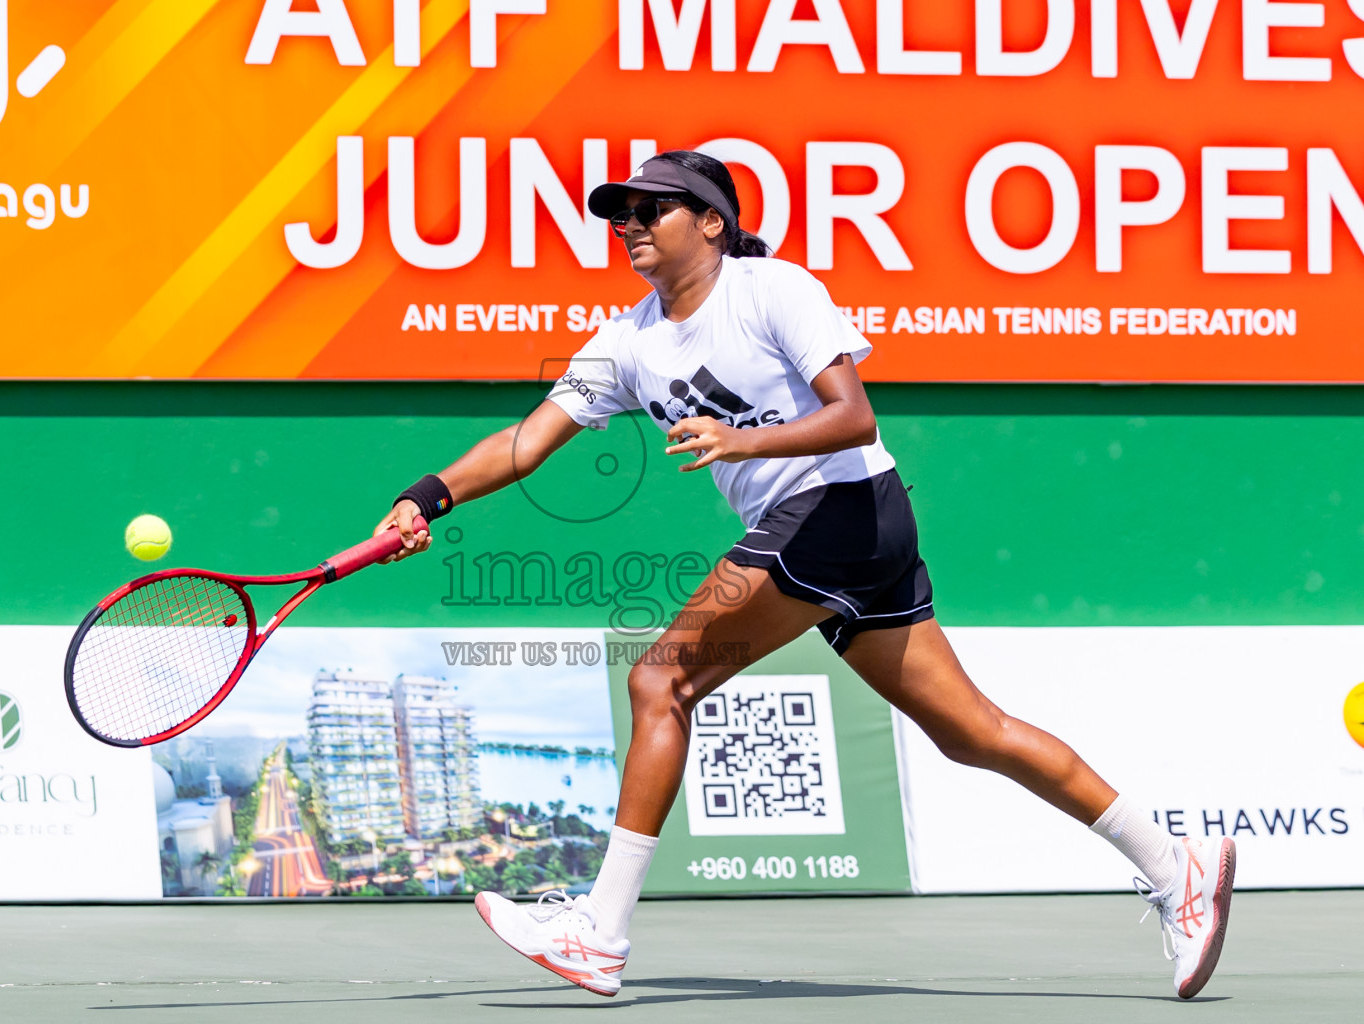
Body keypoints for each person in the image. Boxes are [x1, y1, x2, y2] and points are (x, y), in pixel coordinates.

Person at [375, 150, 1235, 1000]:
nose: (628, 225)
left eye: (650, 210)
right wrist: (425, 499)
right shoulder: (627, 340)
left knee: (660, 680)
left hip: (839, 506)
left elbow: (853, 415)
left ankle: (599, 933)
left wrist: (742, 440)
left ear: (711, 222)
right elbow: (527, 443)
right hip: (834, 531)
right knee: (973, 732)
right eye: (618, 213)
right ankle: (1176, 865)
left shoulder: (774, 290)